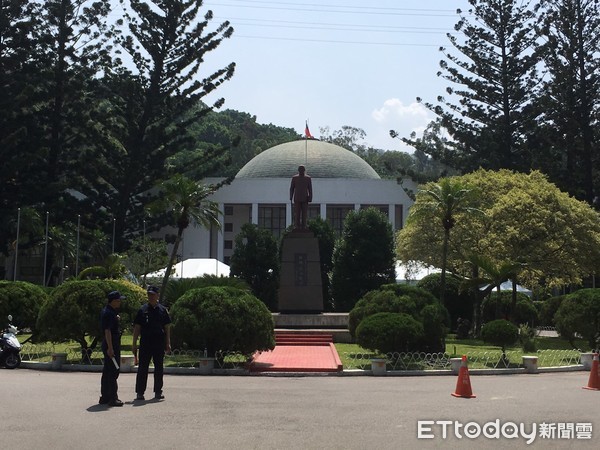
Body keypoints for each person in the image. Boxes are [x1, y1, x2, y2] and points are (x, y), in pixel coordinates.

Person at [132, 285, 171, 401]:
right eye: (149, 294)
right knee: (143, 368)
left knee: (159, 368)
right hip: (145, 343)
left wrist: (168, 342)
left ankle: (158, 391)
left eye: (153, 294)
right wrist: (134, 344)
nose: (151, 297)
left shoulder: (163, 310)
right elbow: (137, 328)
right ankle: (140, 392)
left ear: (157, 295)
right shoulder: (142, 310)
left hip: (159, 343)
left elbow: (167, 328)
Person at [99, 290, 124, 407]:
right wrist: (110, 348)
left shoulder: (110, 312)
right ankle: (113, 398)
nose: (120, 302)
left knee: (107, 371)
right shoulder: (108, 313)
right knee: (113, 371)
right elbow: (107, 331)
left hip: (110, 343)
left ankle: (105, 396)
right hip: (111, 343)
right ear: (113, 301)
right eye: (118, 300)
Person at [289, 165, 313, 230]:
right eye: (300, 169)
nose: (301, 171)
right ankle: (297, 225)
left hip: (305, 198)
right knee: (297, 213)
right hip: (297, 198)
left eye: (302, 170)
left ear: (304, 170)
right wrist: (291, 196)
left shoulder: (308, 178)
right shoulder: (295, 178)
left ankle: (304, 225)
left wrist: (310, 197)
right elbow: (292, 188)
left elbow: (310, 189)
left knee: (304, 213)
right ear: (298, 170)